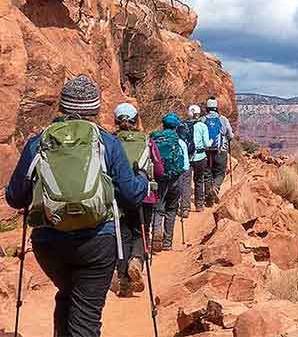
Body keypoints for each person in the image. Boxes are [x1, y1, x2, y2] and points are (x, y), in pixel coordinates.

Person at [6, 75, 148, 337]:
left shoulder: (39, 142)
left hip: (49, 241)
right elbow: (131, 196)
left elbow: (15, 198)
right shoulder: (108, 143)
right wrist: (142, 180)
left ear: (62, 106)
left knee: (67, 296)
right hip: (97, 241)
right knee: (86, 315)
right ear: (95, 109)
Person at [111, 103, 160, 297]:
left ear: (116, 120)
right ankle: (137, 259)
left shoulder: (111, 141)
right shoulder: (147, 141)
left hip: (119, 195)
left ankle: (123, 280)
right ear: (136, 119)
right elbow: (158, 169)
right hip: (144, 194)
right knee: (141, 231)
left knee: (123, 234)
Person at [150, 113, 189, 251]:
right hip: (175, 180)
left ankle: (156, 234)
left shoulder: (154, 139)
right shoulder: (180, 142)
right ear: (176, 126)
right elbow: (185, 167)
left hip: (159, 179)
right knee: (171, 209)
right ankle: (167, 242)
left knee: (158, 207)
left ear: (163, 124)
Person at [178, 105, 212, 216]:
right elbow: (207, 144)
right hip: (200, 157)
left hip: (187, 157)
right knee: (199, 180)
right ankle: (199, 205)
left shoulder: (182, 125)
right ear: (198, 113)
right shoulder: (202, 126)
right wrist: (211, 141)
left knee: (186, 182)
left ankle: (185, 208)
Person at [202, 97, 234, 207]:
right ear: (216, 108)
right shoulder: (223, 119)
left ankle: (208, 200)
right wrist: (228, 138)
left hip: (206, 151)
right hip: (220, 151)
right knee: (220, 172)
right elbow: (230, 135)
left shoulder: (202, 120)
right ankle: (215, 188)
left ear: (207, 108)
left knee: (207, 174)